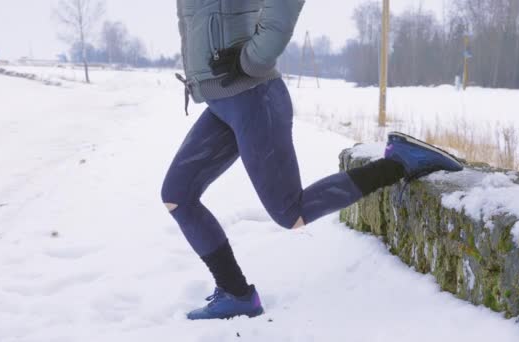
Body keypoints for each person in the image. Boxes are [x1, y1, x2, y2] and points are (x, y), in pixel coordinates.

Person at [162, 0, 463, 320]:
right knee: (178, 195)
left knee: (291, 213)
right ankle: (236, 293)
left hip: (253, 97)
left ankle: (400, 162)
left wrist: (252, 61)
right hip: (222, 100)